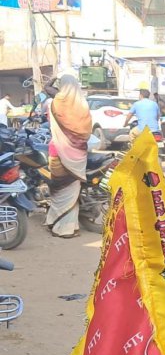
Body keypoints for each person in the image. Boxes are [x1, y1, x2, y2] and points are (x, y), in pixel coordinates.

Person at [45, 75, 92, 238]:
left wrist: (54, 78)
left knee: (57, 190)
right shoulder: (83, 104)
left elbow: (47, 88)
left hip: (57, 151)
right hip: (78, 155)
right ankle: (66, 228)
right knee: (71, 191)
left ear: (62, 85)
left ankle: (55, 224)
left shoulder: (57, 101)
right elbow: (87, 132)